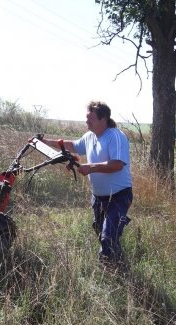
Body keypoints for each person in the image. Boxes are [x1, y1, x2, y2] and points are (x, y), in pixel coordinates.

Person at [39, 100, 133, 270]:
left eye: (91, 119)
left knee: (107, 237)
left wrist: (91, 167)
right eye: (86, 118)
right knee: (100, 230)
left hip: (119, 196)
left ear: (103, 119)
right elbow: (72, 146)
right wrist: (45, 142)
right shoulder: (90, 136)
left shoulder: (115, 136)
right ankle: (118, 254)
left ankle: (110, 273)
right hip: (98, 196)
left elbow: (117, 164)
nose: (87, 122)